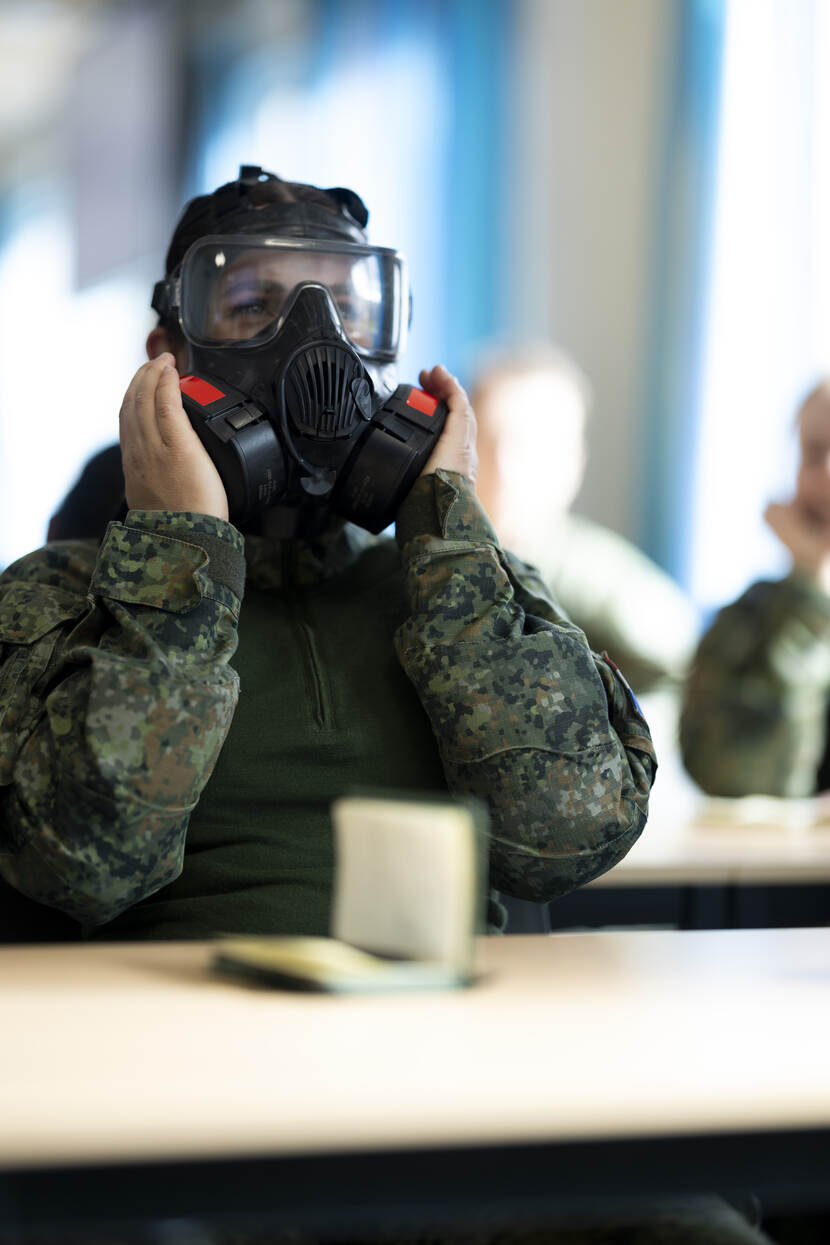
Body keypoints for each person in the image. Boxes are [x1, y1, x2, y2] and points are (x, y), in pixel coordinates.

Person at [0, 165, 656, 945]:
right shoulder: (54, 598)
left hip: (451, 1050)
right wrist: (177, 560)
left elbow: (567, 842)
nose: (317, 343)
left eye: (345, 308)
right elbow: (81, 867)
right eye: (250, 306)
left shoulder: (459, 583)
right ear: (166, 363)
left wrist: (448, 535)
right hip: (172, 1052)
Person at [471, 344, 700, 699]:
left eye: (531, 445)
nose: (506, 466)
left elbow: (686, 668)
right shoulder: (429, 559)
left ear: (574, 462)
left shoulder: (605, 586)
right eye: (486, 440)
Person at [681, 379, 830, 797]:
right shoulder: (749, 617)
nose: (827, 472)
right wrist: (812, 598)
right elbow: (743, 783)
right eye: (814, 453)